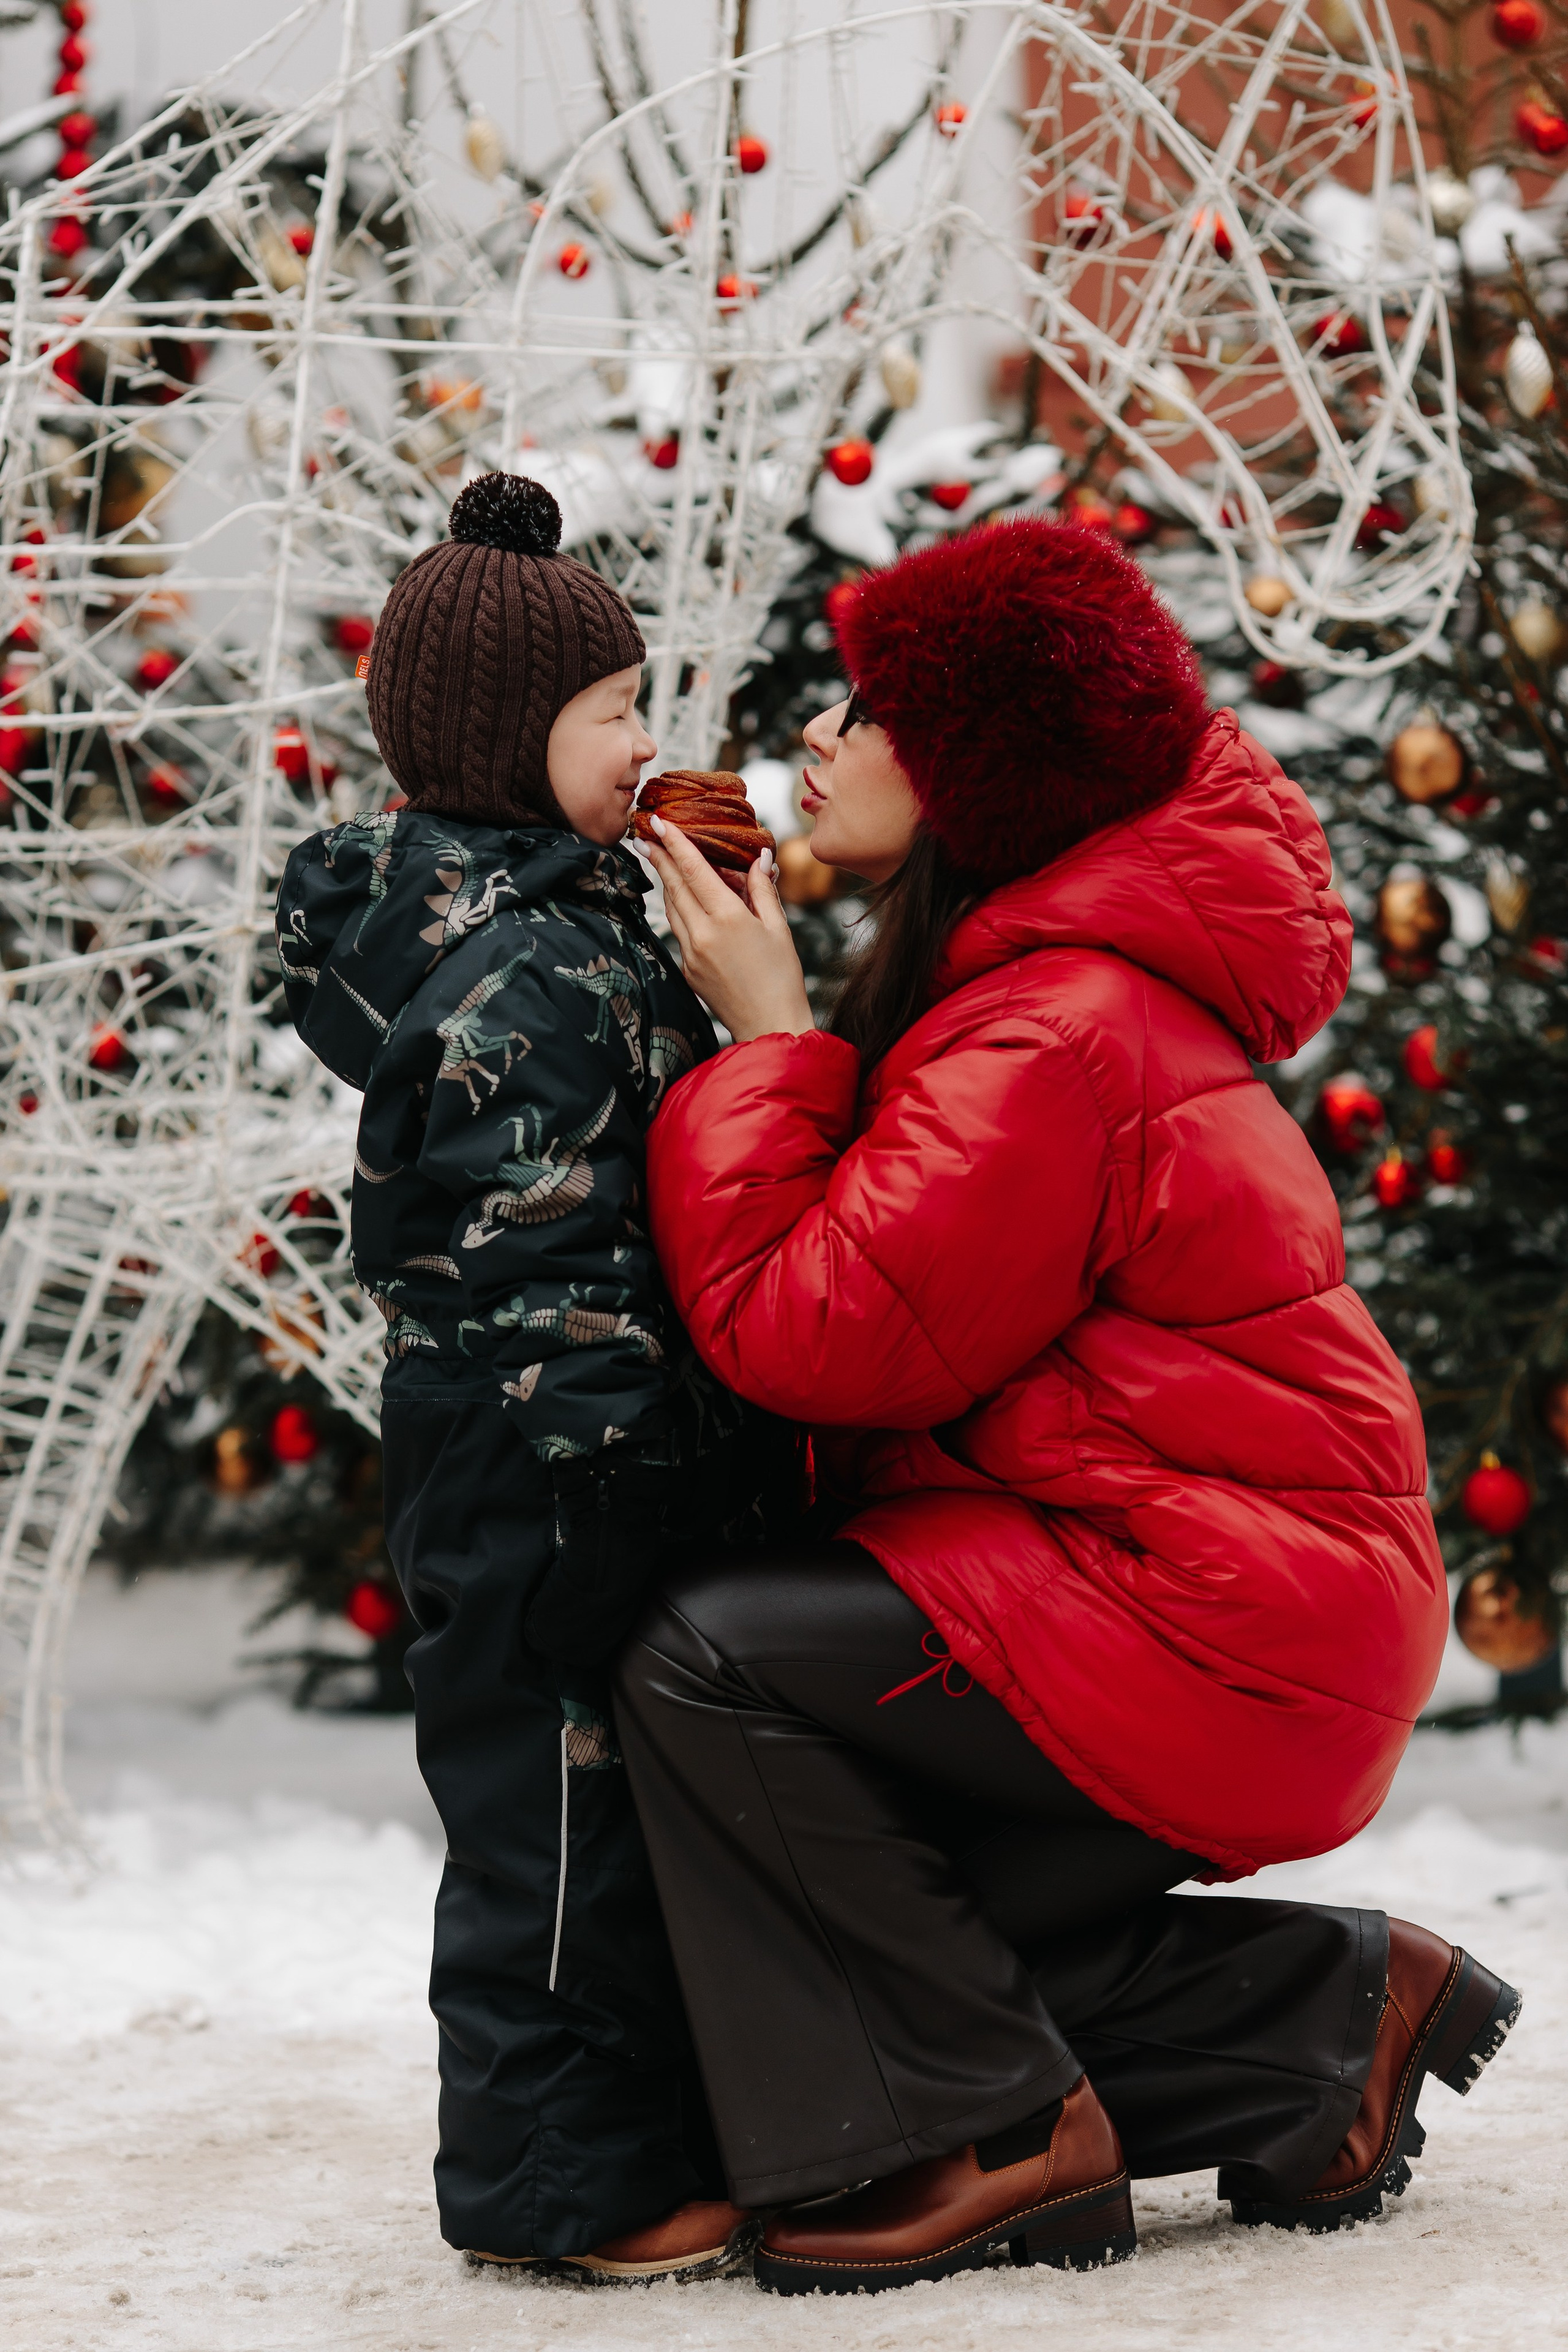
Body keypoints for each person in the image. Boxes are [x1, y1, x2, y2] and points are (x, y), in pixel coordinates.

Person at [626, 517, 1521, 2296]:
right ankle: (1324, 2027)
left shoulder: (1059, 1031)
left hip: (1222, 1616)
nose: (817, 733)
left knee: (706, 1660)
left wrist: (761, 1042)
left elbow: (815, 1332)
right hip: (1202, 1595)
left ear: (979, 771)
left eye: (870, 707)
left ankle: (1006, 2141)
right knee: (843, 1952)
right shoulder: (1032, 998)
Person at [276, 472, 774, 2281]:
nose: (650, 738)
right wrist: (623, 1452)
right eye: (615, 715)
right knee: (551, 1828)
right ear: (508, 745)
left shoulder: (561, 917)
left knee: (597, 1807)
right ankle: (555, 2192)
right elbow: (524, 1251)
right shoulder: (520, 973)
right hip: (537, 1460)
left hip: (555, 1448)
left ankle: (622, 2148)